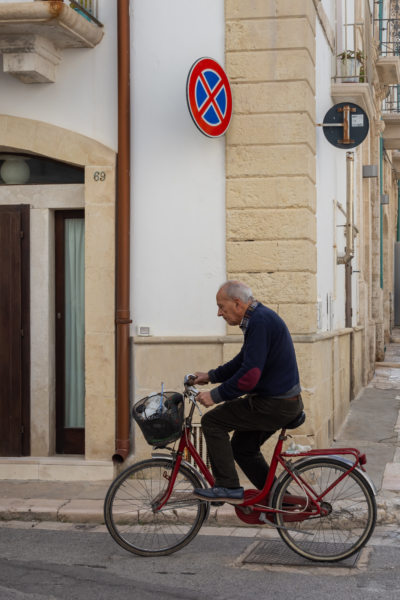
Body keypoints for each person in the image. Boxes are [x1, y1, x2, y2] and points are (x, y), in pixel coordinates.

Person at [193, 280, 303, 504]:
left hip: (274, 404)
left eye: (221, 307)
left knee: (213, 422)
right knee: (243, 449)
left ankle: (227, 487)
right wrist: (211, 376)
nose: (218, 313)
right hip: (282, 402)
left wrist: (215, 396)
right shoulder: (258, 319)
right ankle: (280, 501)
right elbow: (243, 361)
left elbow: (249, 376)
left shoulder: (259, 322)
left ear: (237, 303)